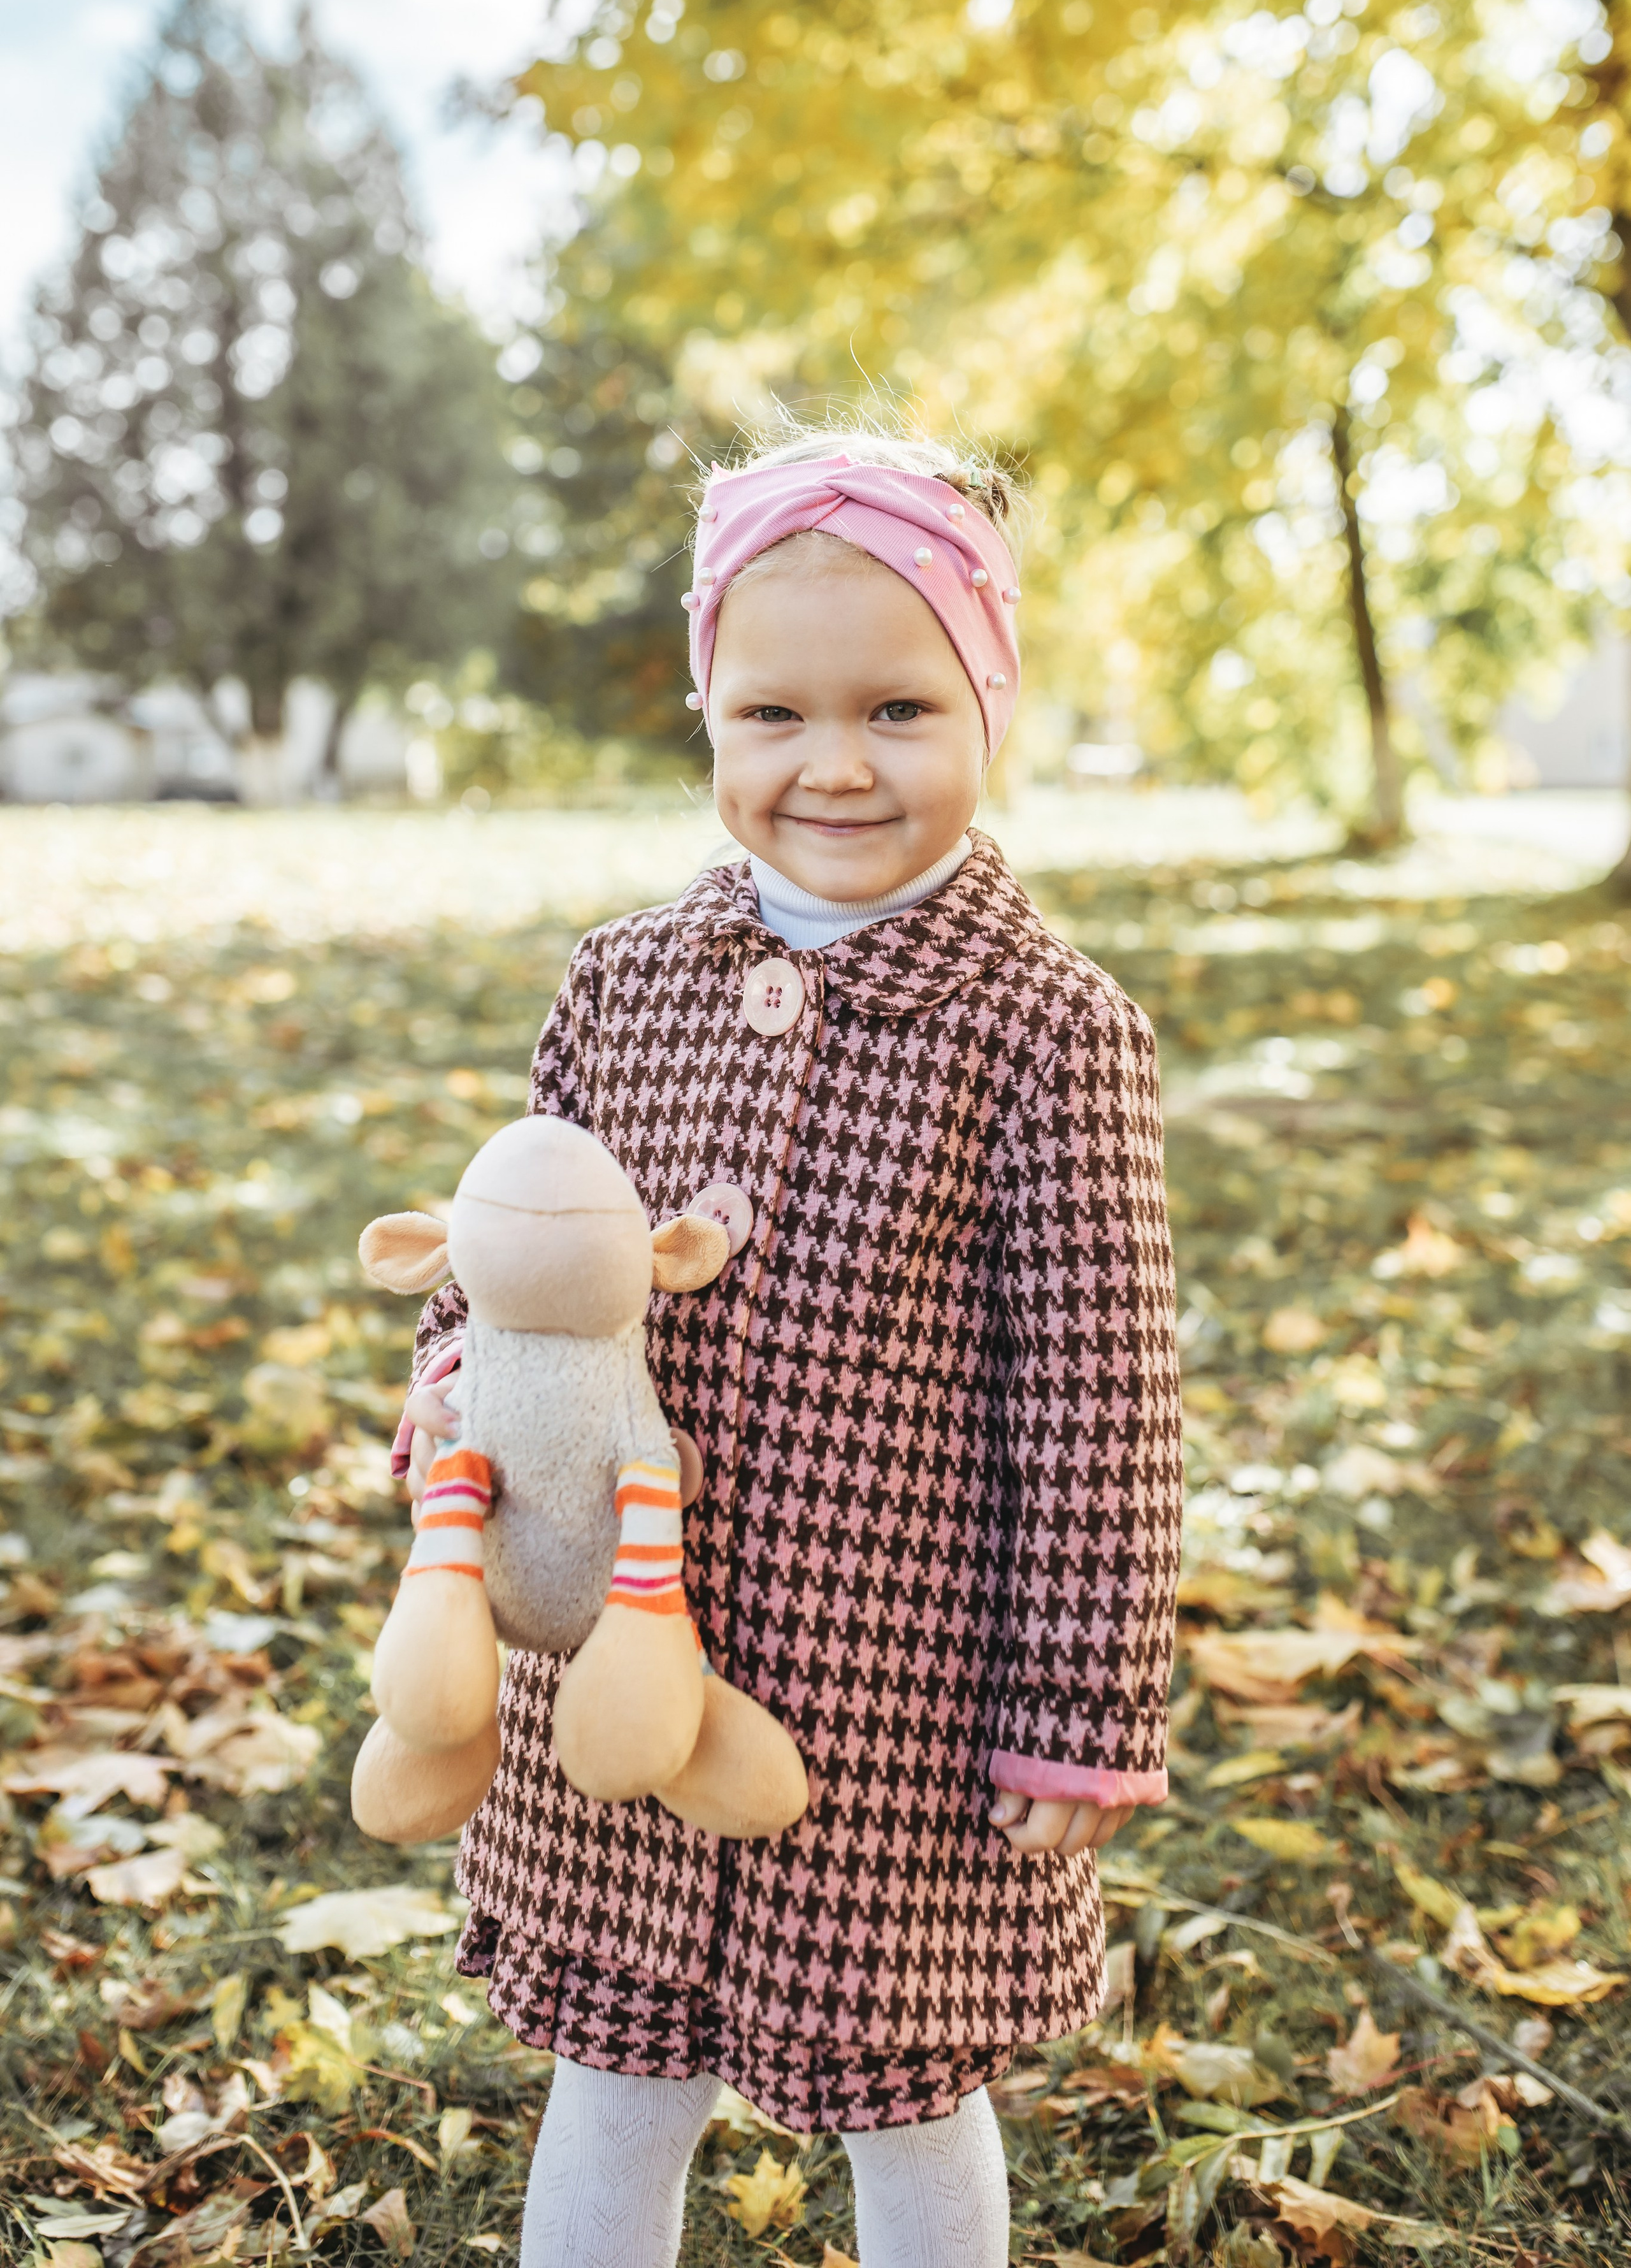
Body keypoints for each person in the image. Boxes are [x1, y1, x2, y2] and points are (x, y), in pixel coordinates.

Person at [393, 420, 1183, 2268]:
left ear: (992, 705)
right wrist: (449, 1424)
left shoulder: (1047, 1030)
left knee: (901, 2083)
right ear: (709, 711)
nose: (833, 764)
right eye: (772, 716)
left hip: (893, 1688)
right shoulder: (622, 983)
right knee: (618, 2064)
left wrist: (1080, 1708)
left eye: (901, 710)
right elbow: (511, 1247)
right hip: (605, 1654)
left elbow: (1099, 1406)